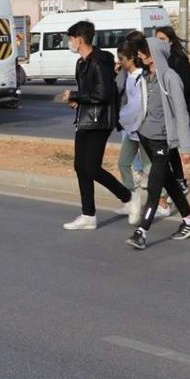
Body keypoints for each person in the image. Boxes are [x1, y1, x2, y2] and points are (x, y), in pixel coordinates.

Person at [61, 21, 140, 230]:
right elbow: (92, 92)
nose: (69, 43)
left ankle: (128, 197)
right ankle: (88, 215)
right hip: (86, 118)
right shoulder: (82, 63)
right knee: (81, 167)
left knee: (92, 168)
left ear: (79, 38)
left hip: (100, 121)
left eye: (70, 39)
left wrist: (76, 95)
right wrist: (77, 101)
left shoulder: (99, 61)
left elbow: (103, 94)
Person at [127, 37, 190, 250]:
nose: (140, 55)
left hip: (162, 140)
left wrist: (185, 147)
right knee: (168, 181)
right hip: (146, 137)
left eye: (144, 52)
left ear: (155, 55)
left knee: (154, 186)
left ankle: (142, 232)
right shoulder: (145, 76)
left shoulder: (170, 78)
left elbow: (181, 113)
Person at [115, 40, 158, 220]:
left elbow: (138, 106)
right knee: (124, 164)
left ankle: (160, 200)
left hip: (142, 130)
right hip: (132, 130)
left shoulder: (140, 77)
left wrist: (122, 117)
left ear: (131, 58)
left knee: (149, 168)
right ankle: (133, 200)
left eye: (122, 59)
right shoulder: (130, 77)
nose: (119, 63)